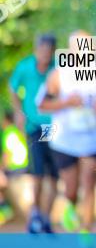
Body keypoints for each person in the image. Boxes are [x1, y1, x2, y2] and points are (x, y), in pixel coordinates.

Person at [38, 30, 96, 245]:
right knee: (71, 188)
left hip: (92, 138)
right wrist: (66, 103)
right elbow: (42, 104)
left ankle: (86, 231)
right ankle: (70, 205)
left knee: (89, 182)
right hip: (65, 139)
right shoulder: (59, 74)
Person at [8, 33, 59, 233]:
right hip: (34, 125)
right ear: (36, 50)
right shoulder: (25, 67)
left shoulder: (58, 67)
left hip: (55, 126)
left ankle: (47, 217)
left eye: (49, 51)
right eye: (42, 51)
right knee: (37, 172)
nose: (45, 55)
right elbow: (13, 88)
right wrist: (19, 112)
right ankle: (35, 214)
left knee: (54, 174)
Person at [1, 110, 29, 225]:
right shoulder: (18, 131)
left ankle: (4, 209)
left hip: (16, 167)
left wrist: (2, 169)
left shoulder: (8, 132)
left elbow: (8, 154)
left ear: (6, 120)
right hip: (25, 166)